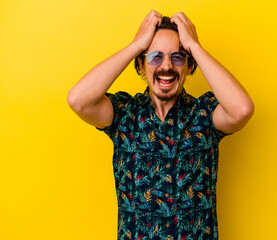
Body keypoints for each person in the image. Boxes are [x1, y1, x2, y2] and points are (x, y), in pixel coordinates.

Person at [67, 10, 254, 240]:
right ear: (141, 65)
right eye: (155, 56)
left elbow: (242, 109)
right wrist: (136, 46)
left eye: (177, 57)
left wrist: (194, 47)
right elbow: (78, 100)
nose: (166, 66)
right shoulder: (125, 114)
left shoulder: (204, 115)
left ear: (189, 66)